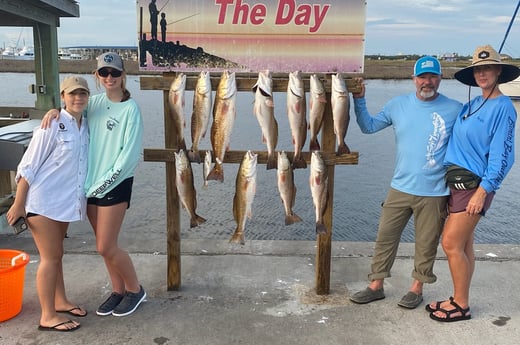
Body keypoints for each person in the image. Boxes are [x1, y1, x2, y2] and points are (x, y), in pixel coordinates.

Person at [349, 56, 463, 309]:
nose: (427, 81)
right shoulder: (397, 105)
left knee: (426, 243)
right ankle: (376, 286)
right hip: (399, 187)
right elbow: (368, 127)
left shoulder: (455, 109)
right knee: (384, 238)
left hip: (435, 192)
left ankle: (416, 288)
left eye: (433, 76)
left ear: (440, 79)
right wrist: (359, 100)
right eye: (422, 77)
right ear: (414, 79)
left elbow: (469, 142)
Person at [42, 52, 146, 317]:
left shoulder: (130, 109)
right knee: (104, 247)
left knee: (105, 245)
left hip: (115, 185)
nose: (109, 77)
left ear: (123, 75)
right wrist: (55, 109)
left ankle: (135, 290)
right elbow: (70, 110)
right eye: (104, 73)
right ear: (97, 77)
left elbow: (129, 155)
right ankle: (117, 290)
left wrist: (104, 183)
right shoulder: (93, 103)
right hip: (89, 186)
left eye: (114, 73)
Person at [427, 45, 519, 322]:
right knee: (465, 244)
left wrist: (483, 191)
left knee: (450, 243)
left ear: (498, 71)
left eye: (487, 68)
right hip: (456, 182)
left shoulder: (503, 107)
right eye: (478, 69)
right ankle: (457, 297)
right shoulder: (472, 104)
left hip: (473, 185)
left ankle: (462, 306)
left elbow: (504, 156)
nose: (482, 74)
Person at [7, 76, 90, 331]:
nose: (77, 98)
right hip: (42, 202)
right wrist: (19, 203)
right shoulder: (51, 124)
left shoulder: (85, 125)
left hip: (64, 203)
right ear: (63, 97)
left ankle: (60, 300)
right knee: (49, 258)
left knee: (57, 255)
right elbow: (28, 167)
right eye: (72, 94)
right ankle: (47, 315)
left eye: (82, 94)